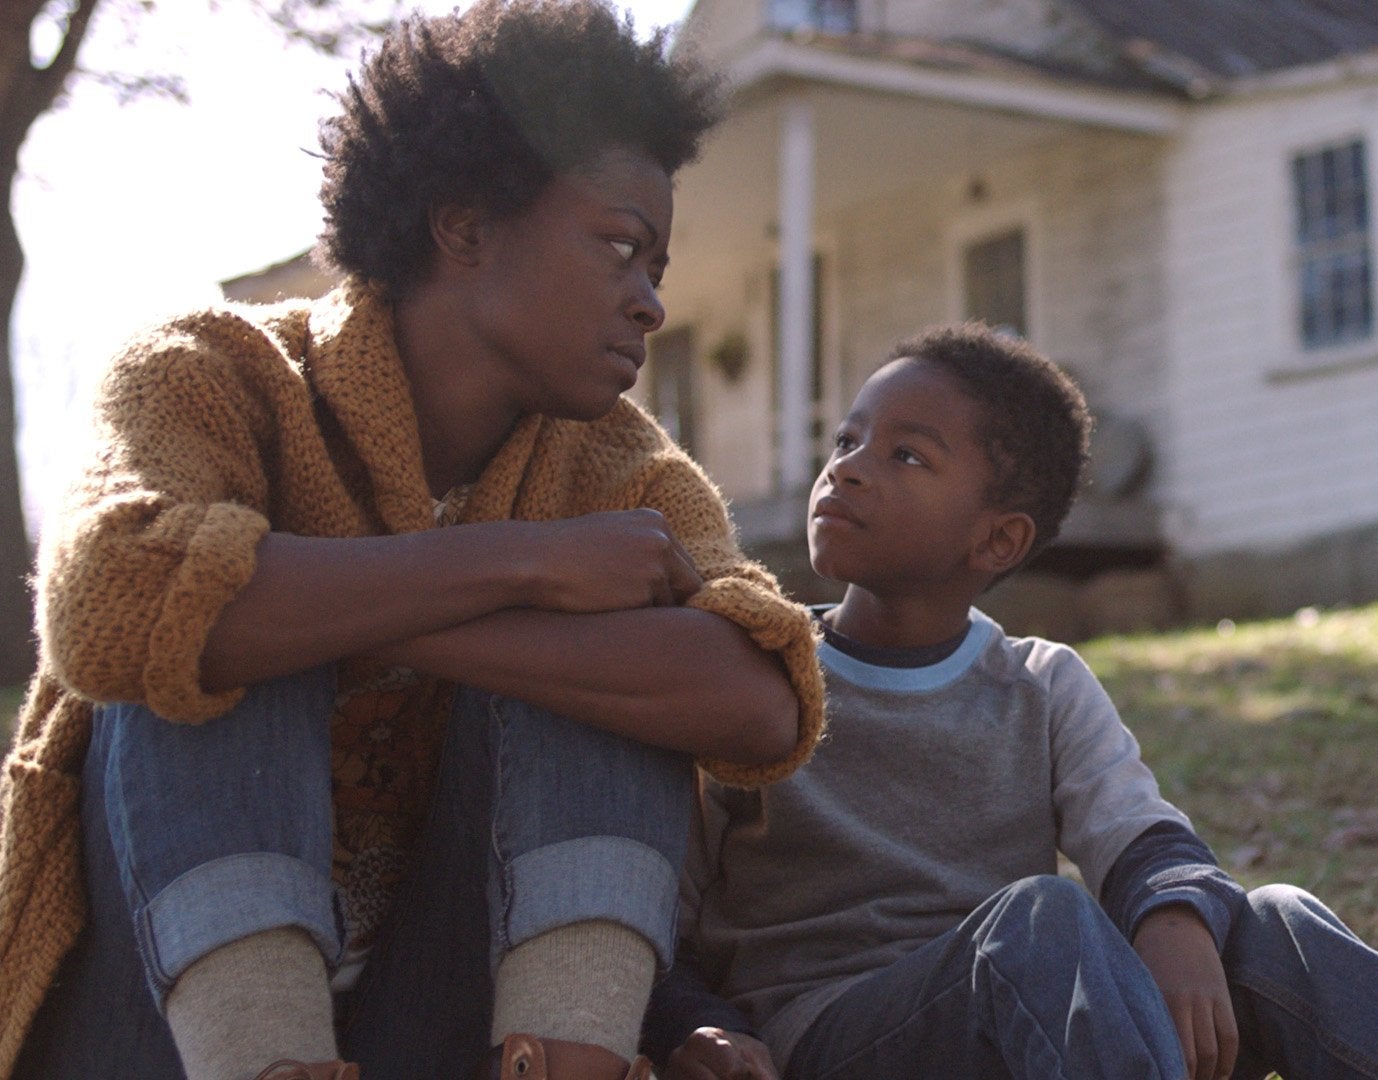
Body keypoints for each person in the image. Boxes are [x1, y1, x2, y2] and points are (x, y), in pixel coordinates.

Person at [0, 4, 825, 1079]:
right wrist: (524, 567)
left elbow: (759, 696)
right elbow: (110, 602)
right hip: (148, 1026)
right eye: (622, 249)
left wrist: (425, 619)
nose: (651, 306)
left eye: (658, 269)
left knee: (614, 660)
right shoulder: (211, 372)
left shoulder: (615, 464)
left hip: (433, 1023)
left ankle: (566, 1059)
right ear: (466, 226)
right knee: (202, 621)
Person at [640, 323, 1378, 1080]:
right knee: (1046, 917)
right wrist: (693, 1027)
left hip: (1048, 1026)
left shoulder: (1040, 682)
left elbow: (1135, 828)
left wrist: (1174, 920)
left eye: (906, 455)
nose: (849, 472)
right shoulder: (755, 674)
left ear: (998, 538)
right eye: (847, 441)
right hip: (834, 1038)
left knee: (1266, 920)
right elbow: (660, 910)